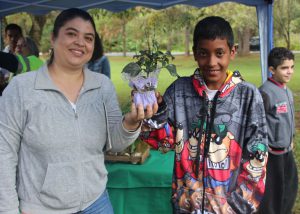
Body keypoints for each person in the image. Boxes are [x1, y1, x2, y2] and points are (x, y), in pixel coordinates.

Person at [0, 8, 157, 214]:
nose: (80, 42)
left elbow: (115, 143)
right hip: (43, 208)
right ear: (53, 38)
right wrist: (8, 210)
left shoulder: (102, 86)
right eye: (71, 34)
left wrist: (131, 121)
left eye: (88, 38)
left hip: (97, 203)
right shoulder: (21, 89)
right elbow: (4, 154)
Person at [140, 16, 268, 213]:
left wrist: (237, 205)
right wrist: (157, 114)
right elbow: (163, 143)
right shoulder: (178, 92)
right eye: (203, 53)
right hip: (186, 206)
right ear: (194, 53)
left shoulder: (248, 96)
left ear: (232, 52)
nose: (211, 62)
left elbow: (258, 155)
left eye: (219, 53)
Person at [258, 47, 298, 214]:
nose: (290, 72)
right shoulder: (265, 92)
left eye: (292, 67)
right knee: (272, 195)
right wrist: (264, 148)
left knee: (290, 188)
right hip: (272, 155)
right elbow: (257, 124)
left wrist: (291, 139)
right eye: (284, 68)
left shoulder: (287, 91)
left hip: (287, 151)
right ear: (272, 70)